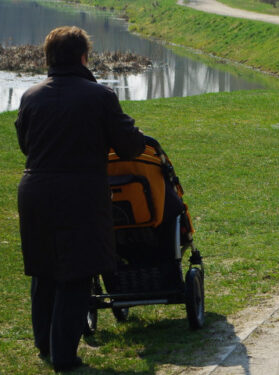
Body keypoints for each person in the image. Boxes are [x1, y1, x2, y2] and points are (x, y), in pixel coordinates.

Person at [14, 26, 144, 372]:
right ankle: (64, 357)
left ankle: (44, 343)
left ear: (49, 57)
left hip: (35, 191)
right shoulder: (98, 96)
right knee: (77, 272)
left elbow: (25, 145)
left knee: (43, 270)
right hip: (79, 193)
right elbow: (129, 145)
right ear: (84, 57)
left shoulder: (31, 96)